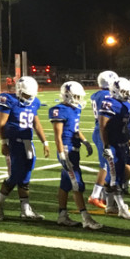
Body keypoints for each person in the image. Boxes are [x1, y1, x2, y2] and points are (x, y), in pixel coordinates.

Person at [0, 76, 50, 220]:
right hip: (14, 143)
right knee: (14, 176)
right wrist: (4, 142)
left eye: (31, 95)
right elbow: (1, 124)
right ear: (19, 91)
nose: (29, 98)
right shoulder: (9, 100)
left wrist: (45, 142)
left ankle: (25, 210)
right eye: (26, 94)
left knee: (26, 177)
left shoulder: (35, 102)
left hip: (28, 143)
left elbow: (36, 123)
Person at [47, 81, 101, 229]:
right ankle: (86, 218)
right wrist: (61, 154)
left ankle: (62, 216)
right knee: (77, 184)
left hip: (74, 150)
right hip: (66, 150)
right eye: (76, 96)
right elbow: (58, 136)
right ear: (67, 95)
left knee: (65, 184)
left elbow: (75, 129)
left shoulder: (74, 109)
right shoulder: (60, 110)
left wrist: (85, 141)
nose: (79, 99)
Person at [99, 77, 130, 219]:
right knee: (115, 178)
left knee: (116, 175)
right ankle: (121, 207)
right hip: (112, 144)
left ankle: (109, 206)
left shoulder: (126, 104)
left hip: (121, 143)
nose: (127, 94)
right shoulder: (109, 103)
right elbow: (103, 127)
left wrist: (129, 141)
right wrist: (106, 146)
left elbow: (124, 127)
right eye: (124, 91)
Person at [87, 70, 118, 209]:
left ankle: (104, 196)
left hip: (99, 131)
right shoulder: (107, 95)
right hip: (103, 131)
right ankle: (95, 195)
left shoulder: (96, 94)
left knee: (109, 164)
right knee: (106, 165)